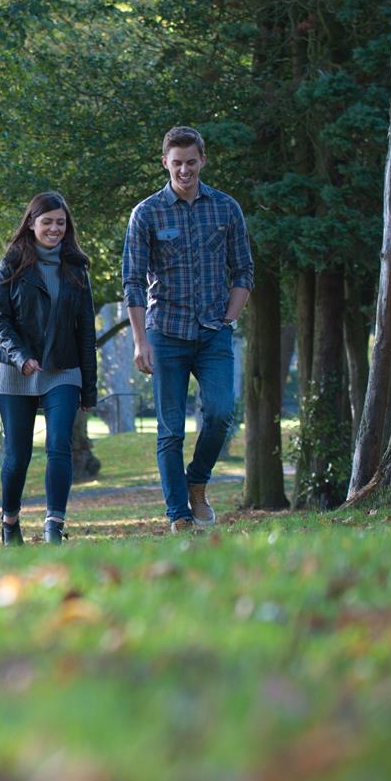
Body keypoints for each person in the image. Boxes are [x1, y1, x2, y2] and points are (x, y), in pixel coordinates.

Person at [123, 126, 254, 534]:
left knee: (219, 413)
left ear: (202, 161)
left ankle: (197, 480)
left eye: (191, 162)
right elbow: (131, 280)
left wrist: (230, 319)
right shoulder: (147, 213)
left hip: (214, 332)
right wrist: (140, 340)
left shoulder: (226, 209)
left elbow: (244, 271)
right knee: (170, 429)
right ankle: (178, 514)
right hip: (166, 333)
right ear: (165, 162)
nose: (184, 170)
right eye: (176, 163)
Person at [0, 191, 98, 545]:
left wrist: (90, 386)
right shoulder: (13, 261)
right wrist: (21, 357)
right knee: (18, 454)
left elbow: (86, 330)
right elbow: (0, 319)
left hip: (63, 370)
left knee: (59, 446)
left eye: (60, 222)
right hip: (16, 372)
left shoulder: (77, 267)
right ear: (32, 223)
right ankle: (10, 523)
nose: (54, 228)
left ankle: (54, 525)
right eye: (47, 221)